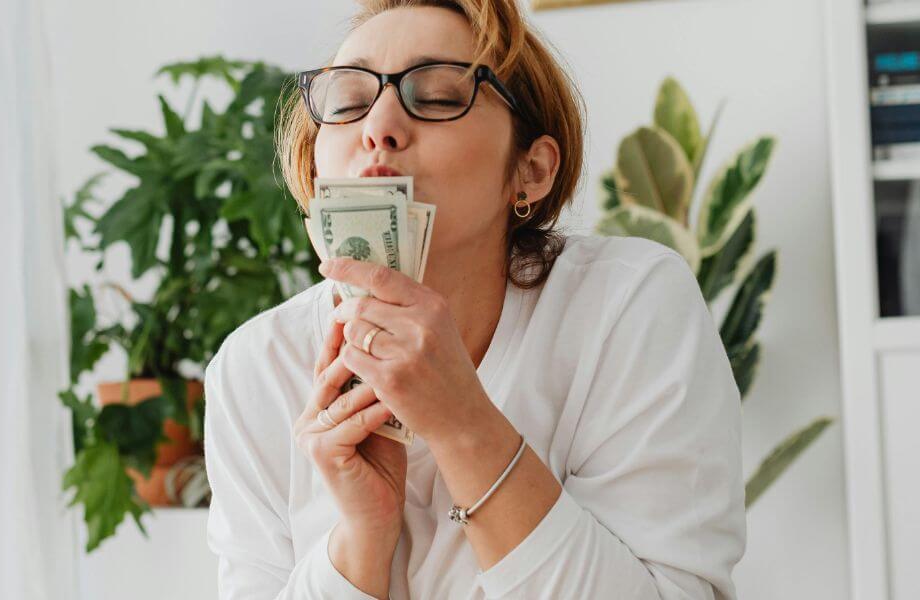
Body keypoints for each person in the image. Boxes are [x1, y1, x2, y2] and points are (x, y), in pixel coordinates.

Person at [203, 1, 746, 598]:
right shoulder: (255, 366)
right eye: (348, 102)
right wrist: (360, 537)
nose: (377, 125)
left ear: (531, 170)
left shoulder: (627, 306)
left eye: (437, 97)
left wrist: (465, 426)